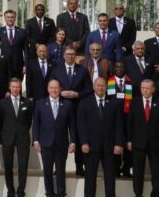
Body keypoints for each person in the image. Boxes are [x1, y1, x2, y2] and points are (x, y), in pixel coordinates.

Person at [49, 45, 92, 176]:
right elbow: (51, 86)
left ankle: (80, 167)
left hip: (78, 107)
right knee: (59, 137)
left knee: (78, 137)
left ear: (76, 56)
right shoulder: (56, 70)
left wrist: (77, 94)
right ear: (63, 56)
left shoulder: (83, 70)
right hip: (60, 106)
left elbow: (89, 90)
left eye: (72, 54)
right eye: (67, 54)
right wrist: (60, 92)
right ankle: (58, 167)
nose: (70, 56)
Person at [78, 77, 123, 197]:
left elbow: (119, 125)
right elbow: (81, 125)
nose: (100, 88)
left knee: (110, 177)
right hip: (91, 147)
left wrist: (119, 143)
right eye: (98, 85)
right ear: (93, 87)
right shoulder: (84, 102)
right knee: (90, 177)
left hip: (110, 147)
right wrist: (84, 142)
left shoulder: (114, 103)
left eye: (103, 85)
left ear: (106, 87)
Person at [32, 79, 76, 197]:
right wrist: (35, 140)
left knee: (61, 171)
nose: (54, 90)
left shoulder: (68, 104)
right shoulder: (40, 103)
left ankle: (61, 193)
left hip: (62, 144)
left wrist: (73, 142)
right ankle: (49, 193)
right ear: (47, 89)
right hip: (45, 144)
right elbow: (36, 124)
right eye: (51, 88)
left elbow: (72, 126)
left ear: (60, 89)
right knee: (47, 171)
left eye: (56, 88)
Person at [0, 78, 32, 197]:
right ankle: (10, 191)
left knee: (23, 166)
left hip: (23, 138)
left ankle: (21, 191)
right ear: (9, 88)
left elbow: (29, 121)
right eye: (14, 87)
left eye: (18, 87)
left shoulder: (27, 102)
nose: (16, 89)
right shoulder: (2, 103)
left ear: (20, 88)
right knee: (8, 166)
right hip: (7, 138)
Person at [127, 79, 159, 197]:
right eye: (143, 88)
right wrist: (129, 140)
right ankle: (138, 194)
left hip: (155, 144)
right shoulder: (134, 102)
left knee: (156, 172)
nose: (145, 90)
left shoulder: (157, 102)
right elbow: (129, 122)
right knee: (138, 172)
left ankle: (155, 193)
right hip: (138, 143)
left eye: (148, 88)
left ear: (153, 89)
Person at [107, 60, 133, 177]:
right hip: (113, 119)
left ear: (125, 68)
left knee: (128, 143)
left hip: (128, 118)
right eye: (117, 67)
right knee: (115, 143)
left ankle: (126, 169)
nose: (119, 69)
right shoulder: (109, 82)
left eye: (122, 67)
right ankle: (116, 169)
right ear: (114, 69)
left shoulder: (131, 82)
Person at [0, 9, 25, 76]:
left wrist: (25, 65)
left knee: (17, 86)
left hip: (18, 66)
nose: (10, 19)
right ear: (5, 18)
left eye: (12, 17)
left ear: (15, 18)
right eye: (8, 17)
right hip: (2, 65)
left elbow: (26, 50)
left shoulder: (22, 32)